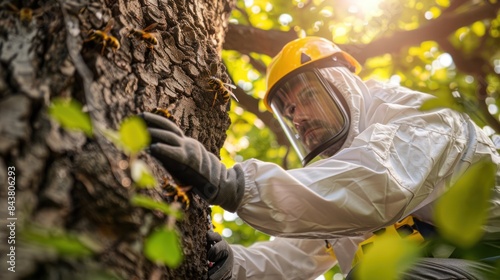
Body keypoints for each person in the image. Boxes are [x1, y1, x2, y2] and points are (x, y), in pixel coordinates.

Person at [142, 36, 500, 279]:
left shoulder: (423, 121)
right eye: (290, 111)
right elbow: (294, 256)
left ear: (340, 84)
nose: (298, 118)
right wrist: (236, 263)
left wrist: (233, 184)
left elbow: (375, 183)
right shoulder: (339, 182)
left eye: (309, 96)